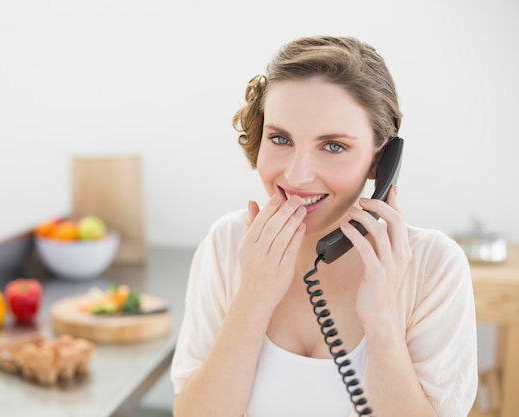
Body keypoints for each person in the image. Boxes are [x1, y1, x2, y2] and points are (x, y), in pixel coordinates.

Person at [170, 36, 478, 417]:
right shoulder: (228, 243)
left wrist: (381, 315)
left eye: (333, 146)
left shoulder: (433, 266)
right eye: (280, 138)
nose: (297, 175)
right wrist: (253, 294)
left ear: (379, 162)